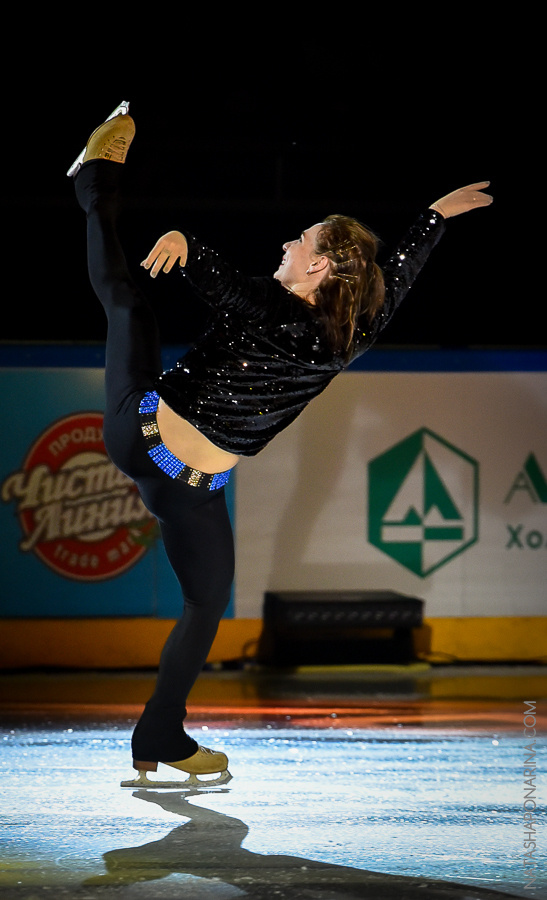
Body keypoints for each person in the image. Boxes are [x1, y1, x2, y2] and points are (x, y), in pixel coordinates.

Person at [69, 102, 492, 787]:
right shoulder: (353, 330)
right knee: (126, 304)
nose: (286, 245)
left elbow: (221, 279)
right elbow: (403, 271)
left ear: (321, 268)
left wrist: (187, 243)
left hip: (190, 492)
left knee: (206, 603)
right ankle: (94, 180)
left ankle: (160, 732)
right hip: (141, 432)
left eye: (299, 241)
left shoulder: (294, 314)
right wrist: (432, 217)